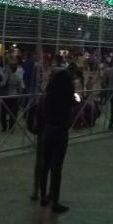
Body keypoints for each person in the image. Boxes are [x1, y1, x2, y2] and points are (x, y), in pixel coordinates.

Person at [37, 69, 75, 214]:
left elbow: (42, 113)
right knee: (57, 168)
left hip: (48, 130)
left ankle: (43, 196)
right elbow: (70, 117)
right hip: (61, 132)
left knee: (44, 165)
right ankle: (55, 201)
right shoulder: (67, 98)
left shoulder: (47, 96)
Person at [1, 61, 25, 132]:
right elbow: (20, 88)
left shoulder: (7, 76)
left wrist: (0, 83)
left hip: (6, 96)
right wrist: (19, 96)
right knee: (13, 113)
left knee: (3, 113)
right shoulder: (18, 77)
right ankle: (11, 127)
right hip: (14, 96)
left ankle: (4, 127)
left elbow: (3, 84)